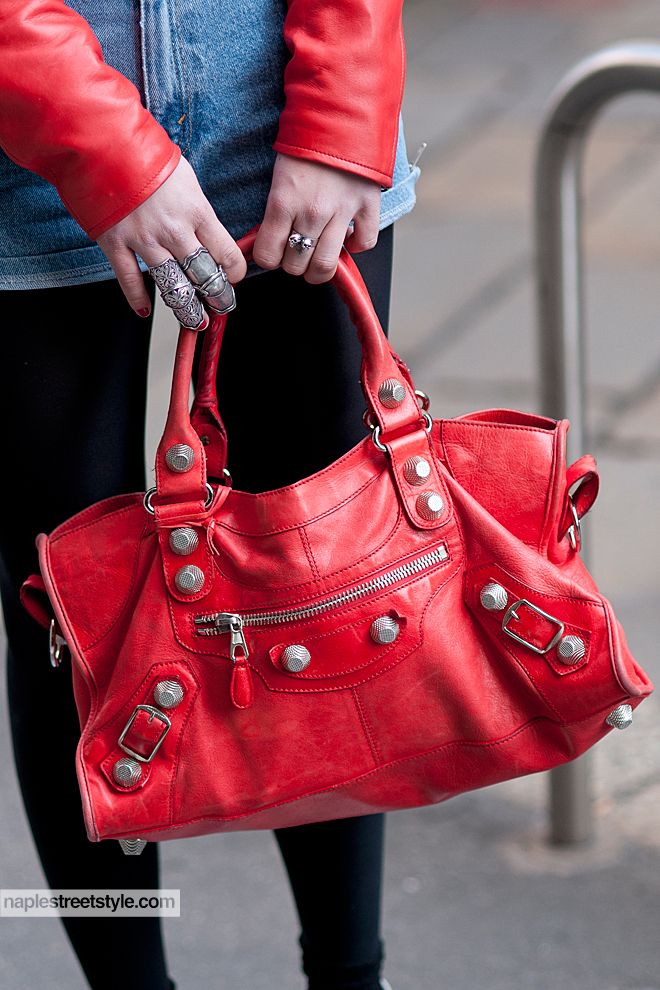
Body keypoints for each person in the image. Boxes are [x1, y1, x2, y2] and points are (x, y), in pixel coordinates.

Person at [0, 2, 421, 989]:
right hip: (21, 140)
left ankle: (352, 977)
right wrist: (96, 139)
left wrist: (343, 108)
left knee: (331, 581)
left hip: (284, 108)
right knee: (69, 623)